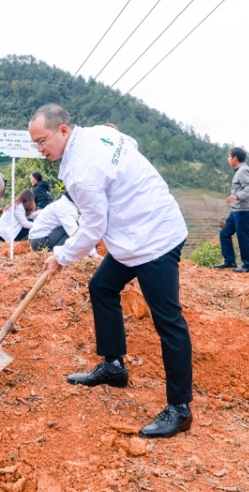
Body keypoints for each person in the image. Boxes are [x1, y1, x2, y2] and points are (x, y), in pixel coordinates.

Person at [30, 103, 193, 438]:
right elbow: (128, 143)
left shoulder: (81, 173)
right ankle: (114, 366)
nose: (40, 149)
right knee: (102, 287)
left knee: (169, 321)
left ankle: (179, 408)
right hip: (133, 233)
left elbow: (92, 228)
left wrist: (60, 257)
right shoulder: (102, 133)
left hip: (154, 239)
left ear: (63, 130)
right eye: (35, 143)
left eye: (43, 140)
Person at [215, 147, 249, 273]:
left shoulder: (243, 171)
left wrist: (236, 196)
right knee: (225, 232)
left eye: (229, 157)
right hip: (236, 209)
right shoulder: (240, 171)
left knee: (243, 236)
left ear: (235, 158)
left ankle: (248, 265)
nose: (228, 159)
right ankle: (229, 260)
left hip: (243, 210)